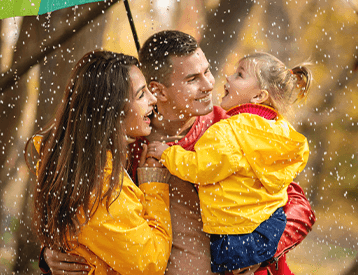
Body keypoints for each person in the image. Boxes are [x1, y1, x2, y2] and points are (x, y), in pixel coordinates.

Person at [42, 31, 315, 275]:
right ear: (157, 90)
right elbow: (81, 207)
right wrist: (51, 254)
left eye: (207, 71)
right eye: (192, 79)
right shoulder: (129, 146)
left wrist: (257, 251)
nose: (209, 84)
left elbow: (299, 207)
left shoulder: (232, 129)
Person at [146, 52, 311, 274]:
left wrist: (168, 154)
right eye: (192, 79)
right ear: (159, 90)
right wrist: (265, 245)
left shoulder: (227, 131)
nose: (224, 78)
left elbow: (200, 167)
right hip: (270, 226)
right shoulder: (278, 131)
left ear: (258, 96)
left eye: (239, 74)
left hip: (234, 236)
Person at [28, 50, 172, 275]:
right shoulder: (103, 183)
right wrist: (154, 184)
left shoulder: (76, 161)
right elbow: (149, 263)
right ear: (113, 110)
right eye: (141, 94)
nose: (153, 99)